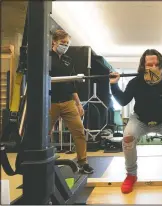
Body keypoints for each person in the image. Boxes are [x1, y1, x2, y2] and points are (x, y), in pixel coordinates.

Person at [109, 49, 162, 194]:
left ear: (161, 65)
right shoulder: (136, 82)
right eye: (150, 65)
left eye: (157, 64)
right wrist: (114, 85)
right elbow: (123, 101)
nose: (154, 67)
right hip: (140, 119)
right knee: (127, 138)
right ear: (143, 66)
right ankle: (131, 175)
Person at [49, 30, 94, 174]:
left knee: (79, 132)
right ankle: (46, 161)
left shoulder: (69, 59)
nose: (65, 46)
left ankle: (83, 162)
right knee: (45, 133)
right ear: (54, 42)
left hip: (68, 101)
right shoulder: (46, 58)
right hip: (50, 102)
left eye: (67, 43)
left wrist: (78, 103)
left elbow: (72, 83)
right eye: (63, 43)